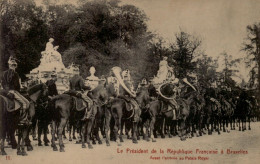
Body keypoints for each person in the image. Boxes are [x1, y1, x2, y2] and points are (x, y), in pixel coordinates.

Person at [1, 56, 30, 125]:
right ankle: (23, 119)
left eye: (14, 65)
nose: (13, 66)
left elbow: (3, 83)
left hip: (5, 91)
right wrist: (22, 89)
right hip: (13, 91)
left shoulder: (4, 73)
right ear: (11, 65)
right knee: (26, 103)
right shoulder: (15, 74)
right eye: (13, 65)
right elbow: (17, 86)